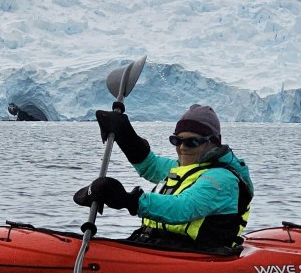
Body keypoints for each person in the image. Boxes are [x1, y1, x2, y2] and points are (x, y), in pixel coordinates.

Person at [74, 104, 254, 254]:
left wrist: (128, 200)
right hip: (159, 246)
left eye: (191, 142)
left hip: (198, 255)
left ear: (214, 142)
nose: (182, 147)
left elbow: (183, 208)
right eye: (176, 141)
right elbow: (150, 166)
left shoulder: (223, 179)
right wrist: (124, 134)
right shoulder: (185, 168)